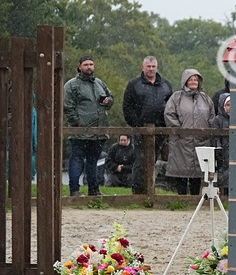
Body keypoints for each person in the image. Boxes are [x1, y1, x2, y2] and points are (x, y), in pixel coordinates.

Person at [63, 55, 114, 197]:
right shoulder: (71, 85)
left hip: (99, 130)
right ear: (79, 67)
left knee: (93, 161)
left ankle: (94, 189)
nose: (89, 67)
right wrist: (77, 123)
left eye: (91, 64)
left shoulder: (99, 83)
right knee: (77, 159)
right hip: (80, 131)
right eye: (86, 64)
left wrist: (107, 101)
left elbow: (111, 99)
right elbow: (67, 106)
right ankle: (74, 190)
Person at [122, 56, 173, 194]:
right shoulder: (134, 85)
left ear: (157, 67)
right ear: (143, 67)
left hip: (160, 129)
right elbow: (127, 107)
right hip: (141, 129)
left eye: (153, 66)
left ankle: (150, 188)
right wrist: (137, 124)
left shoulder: (166, 85)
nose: (151, 69)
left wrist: (166, 125)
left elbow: (171, 106)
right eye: (148, 66)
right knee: (141, 159)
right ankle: (138, 191)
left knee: (154, 159)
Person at [164, 68, 215, 196]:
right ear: (185, 81)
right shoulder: (176, 97)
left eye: (195, 80)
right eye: (191, 79)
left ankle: (194, 199)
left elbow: (212, 117)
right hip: (181, 142)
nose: (193, 82)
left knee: (197, 172)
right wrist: (180, 130)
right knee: (181, 171)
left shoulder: (205, 98)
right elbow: (169, 115)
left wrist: (206, 133)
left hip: (201, 141)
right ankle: (181, 199)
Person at [210, 93, 231, 197]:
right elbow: (215, 137)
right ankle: (223, 197)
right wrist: (219, 150)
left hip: (234, 153)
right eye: (228, 105)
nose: (230, 107)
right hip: (223, 153)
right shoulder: (218, 120)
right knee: (223, 176)